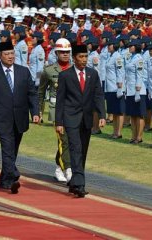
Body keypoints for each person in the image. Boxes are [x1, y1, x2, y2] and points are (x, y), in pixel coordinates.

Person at [0, 42, 39, 194]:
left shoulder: (23, 72)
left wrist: (36, 113)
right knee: (7, 149)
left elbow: (32, 93)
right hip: (0, 118)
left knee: (12, 151)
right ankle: (13, 175)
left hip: (19, 118)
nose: (10, 56)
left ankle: (5, 181)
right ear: (0, 56)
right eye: (7, 54)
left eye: (12, 53)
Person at [55, 44, 106, 197]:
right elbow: (60, 100)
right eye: (80, 57)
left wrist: (102, 115)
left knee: (82, 151)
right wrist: (59, 122)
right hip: (70, 118)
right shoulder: (65, 75)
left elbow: (98, 95)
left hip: (87, 119)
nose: (84, 60)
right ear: (74, 58)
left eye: (86, 56)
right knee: (75, 149)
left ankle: (74, 181)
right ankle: (79, 185)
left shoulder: (93, 74)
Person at [38, 38, 72, 183]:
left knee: (70, 141)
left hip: (72, 110)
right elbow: (41, 92)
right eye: (62, 52)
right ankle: (69, 171)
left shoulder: (74, 69)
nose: (65, 55)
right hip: (55, 110)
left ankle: (58, 168)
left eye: (67, 52)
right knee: (63, 140)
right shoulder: (49, 70)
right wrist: (39, 112)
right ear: (57, 53)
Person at [125, 39, 146, 144]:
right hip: (130, 90)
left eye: (131, 45)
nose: (129, 47)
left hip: (138, 91)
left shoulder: (139, 59)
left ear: (136, 47)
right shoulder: (131, 58)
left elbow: (140, 75)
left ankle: (139, 136)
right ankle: (133, 135)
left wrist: (138, 90)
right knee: (132, 115)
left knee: (139, 115)